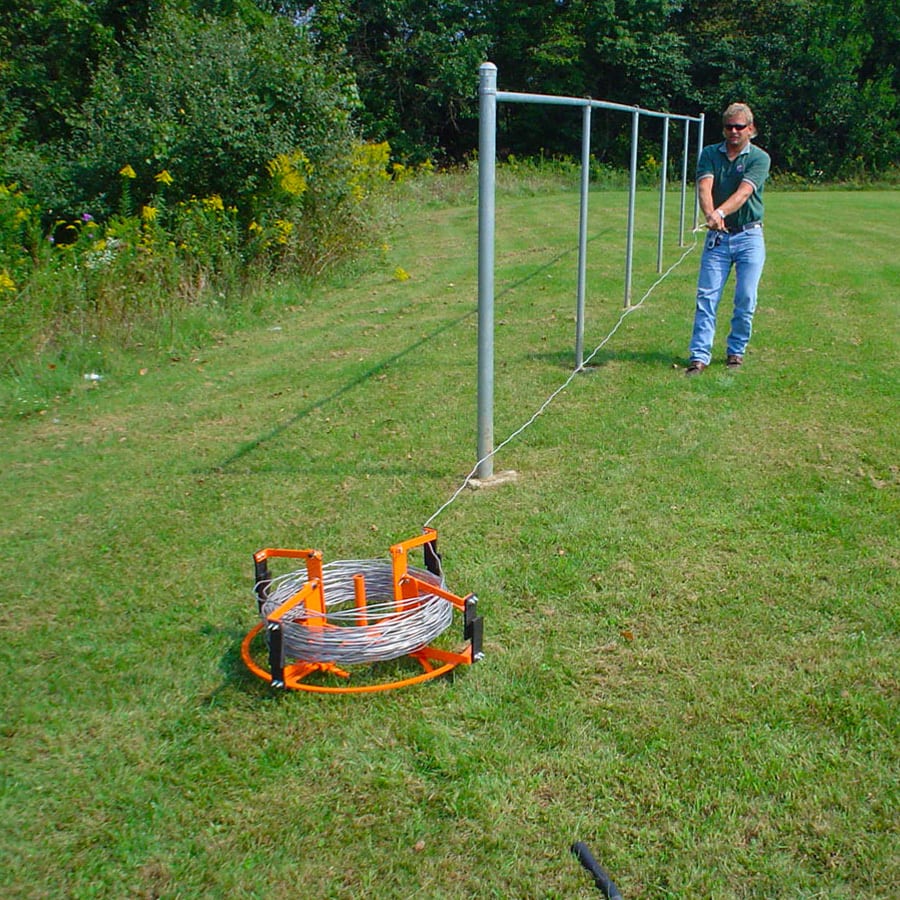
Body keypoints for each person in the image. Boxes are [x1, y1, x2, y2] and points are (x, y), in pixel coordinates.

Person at [685, 103, 771, 376]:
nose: (734, 131)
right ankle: (699, 356)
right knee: (706, 297)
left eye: (739, 127)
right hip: (719, 238)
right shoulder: (710, 154)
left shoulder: (759, 158)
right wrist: (710, 214)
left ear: (751, 129)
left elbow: (744, 192)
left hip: (749, 235)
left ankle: (736, 350)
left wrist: (720, 212)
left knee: (746, 297)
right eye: (729, 127)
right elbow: (704, 186)